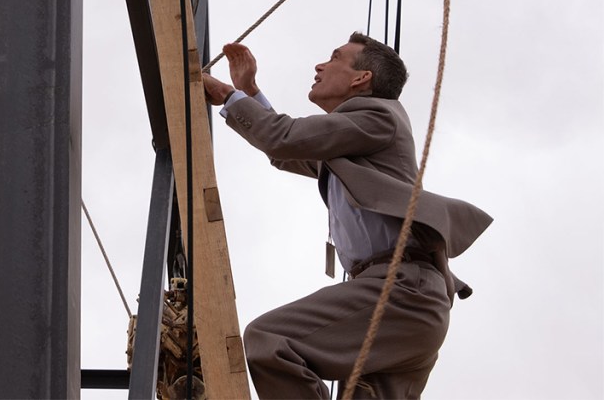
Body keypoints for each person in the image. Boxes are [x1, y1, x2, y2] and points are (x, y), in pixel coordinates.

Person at [202, 33, 492, 399]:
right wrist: (249, 92)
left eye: (335, 58)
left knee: (270, 339)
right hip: (408, 300)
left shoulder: (377, 115)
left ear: (361, 78)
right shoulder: (352, 140)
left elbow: (283, 139)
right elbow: (286, 151)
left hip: (402, 290)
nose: (320, 65)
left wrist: (231, 97)